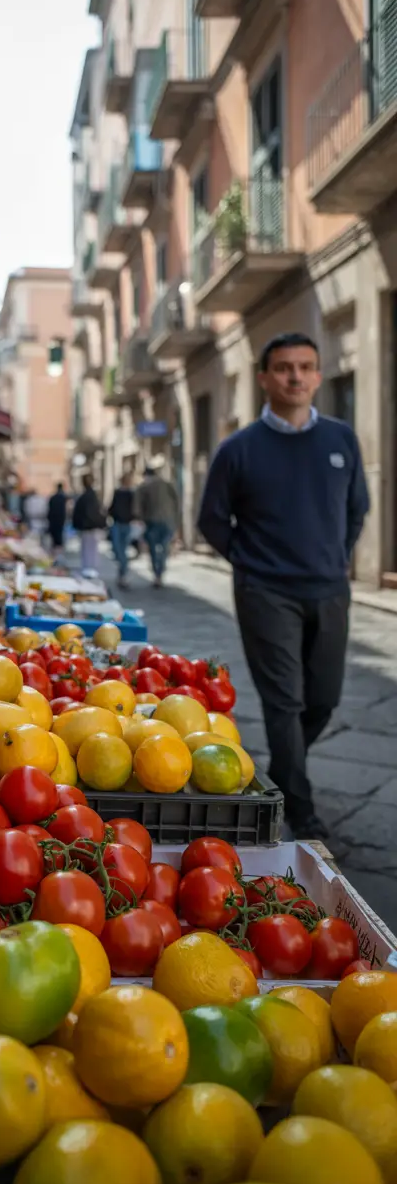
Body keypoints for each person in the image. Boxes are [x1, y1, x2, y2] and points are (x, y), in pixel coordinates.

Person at [197, 332, 370, 837]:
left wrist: (336, 558)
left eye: (305, 367)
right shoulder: (239, 449)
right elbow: (212, 520)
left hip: (329, 589)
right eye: (284, 367)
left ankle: (281, 764)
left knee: (324, 699)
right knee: (284, 703)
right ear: (264, 377)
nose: (295, 376)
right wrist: (250, 565)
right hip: (265, 592)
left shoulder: (341, 440)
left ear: (317, 375)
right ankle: (300, 807)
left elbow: (357, 508)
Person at [136, 464, 179, 586]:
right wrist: (176, 520)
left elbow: (137, 506)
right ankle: (160, 571)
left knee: (154, 549)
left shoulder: (144, 487)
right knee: (164, 547)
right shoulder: (167, 484)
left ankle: (157, 573)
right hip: (167, 520)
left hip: (152, 521)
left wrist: (140, 519)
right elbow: (177, 503)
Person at [72, 475, 105, 572]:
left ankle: (89, 569)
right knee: (91, 549)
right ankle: (90, 568)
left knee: (88, 550)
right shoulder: (92, 496)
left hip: (88, 527)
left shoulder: (87, 496)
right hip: (91, 527)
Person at [108, 471, 136, 588]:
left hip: (124, 524)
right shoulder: (119, 493)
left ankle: (123, 574)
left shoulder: (131, 494)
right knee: (119, 550)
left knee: (122, 550)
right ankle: (123, 573)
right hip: (119, 523)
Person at [47, 482, 68, 553]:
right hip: (60, 520)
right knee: (59, 537)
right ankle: (58, 553)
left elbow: (49, 510)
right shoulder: (63, 498)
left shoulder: (53, 498)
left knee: (54, 539)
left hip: (53, 521)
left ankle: (55, 552)